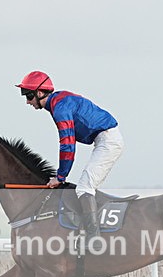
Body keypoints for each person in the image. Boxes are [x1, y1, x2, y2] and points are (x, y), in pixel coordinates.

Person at [15, 71, 123, 242]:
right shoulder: (57, 101)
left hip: (108, 141)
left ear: (40, 93)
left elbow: (67, 144)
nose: (27, 101)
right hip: (103, 138)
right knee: (85, 186)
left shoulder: (60, 108)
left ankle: (94, 239)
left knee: (84, 188)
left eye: (28, 96)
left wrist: (60, 176)